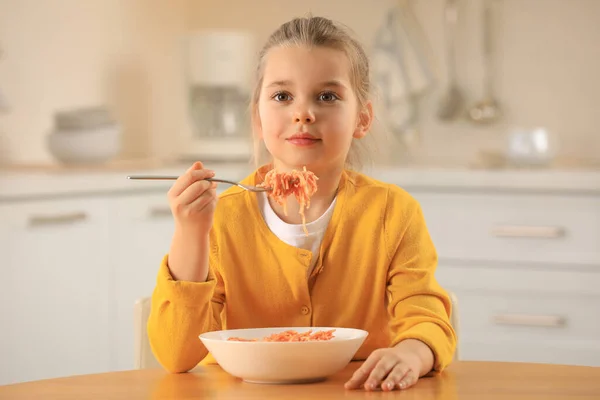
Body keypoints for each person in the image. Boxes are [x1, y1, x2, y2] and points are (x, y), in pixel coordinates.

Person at [147, 15, 456, 392]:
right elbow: (176, 355)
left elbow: (425, 318)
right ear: (258, 119)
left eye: (327, 96)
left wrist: (412, 353)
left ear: (363, 118)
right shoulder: (224, 217)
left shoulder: (393, 212)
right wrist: (191, 234)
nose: (302, 113)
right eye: (282, 96)